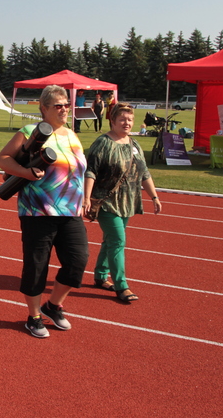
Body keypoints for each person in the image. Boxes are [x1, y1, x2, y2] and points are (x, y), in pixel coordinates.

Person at [0, 85, 88, 338]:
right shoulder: (29, 132)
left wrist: (85, 198)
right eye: (58, 106)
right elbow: (2, 159)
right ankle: (34, 316)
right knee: (36, 266)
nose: (65, 109)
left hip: (71, 211)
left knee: (77, 261)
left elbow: (79, 170)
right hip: (37, 211)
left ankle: (53, 305)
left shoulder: (72, 135)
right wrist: (25, 172)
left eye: (67, 105)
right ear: (44, 108)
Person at [84, 102, 161, 302]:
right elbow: (90, 171)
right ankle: (122, 286)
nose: (126, 123)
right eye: (122, 119)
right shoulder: (103, 143)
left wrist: (154, 197)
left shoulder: (134, 144)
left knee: (111, 240)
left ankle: (101, 276)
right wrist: (86, 198)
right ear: (113, 121)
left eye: (130, 119)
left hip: (127, 201)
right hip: (106, 202)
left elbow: (144, 173)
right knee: (118, 241)